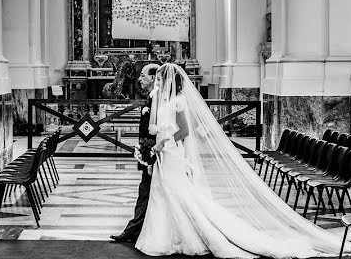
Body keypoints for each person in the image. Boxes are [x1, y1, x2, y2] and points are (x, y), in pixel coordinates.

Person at [135, 63, 340, 258]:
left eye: (161, 79)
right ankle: (166, 236)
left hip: (171, 153)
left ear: (170, 80)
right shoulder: (161, 100)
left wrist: (164, 144)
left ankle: (185, 237)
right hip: (164, 154)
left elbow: (185, 131)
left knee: (177, 193)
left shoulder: (177, 101)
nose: (158, 82)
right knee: (163, 193)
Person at [110, 62, 160, 243]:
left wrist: (151, 156)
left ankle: (133, 231)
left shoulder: (158, 98)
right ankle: (138, 230)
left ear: (154, 78)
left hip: (155, 155)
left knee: (145, 192)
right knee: (146, 192)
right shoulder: (153, 96)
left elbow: (160, 129)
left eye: (143, 75)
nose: (139, 78)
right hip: (151, 152)